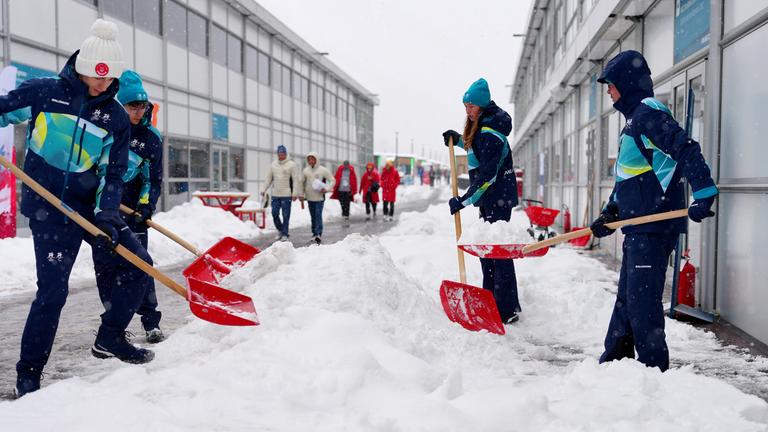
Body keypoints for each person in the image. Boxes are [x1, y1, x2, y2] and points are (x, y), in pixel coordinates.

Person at [2, 19, 155, 398]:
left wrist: (105, 214)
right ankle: (29, 375)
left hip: (90, 208)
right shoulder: (44, 93)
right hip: (49, 209)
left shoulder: (116, 119)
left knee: (139, 267)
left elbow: (113, 174)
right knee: (52, 293)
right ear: (81, 64)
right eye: (96, 75)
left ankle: (110, 336)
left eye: (109, 78)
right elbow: (4, 110)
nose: (102, 84)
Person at [589, 50, 718, 372]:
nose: (608, 90)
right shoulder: (633, 120)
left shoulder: (648, 114)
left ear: (627, 83)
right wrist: (611, 213)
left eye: (611, 83)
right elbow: (629, 177)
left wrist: (704, 192)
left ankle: (652, 371)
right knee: (627, 299)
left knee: (643, 304)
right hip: (637, 225)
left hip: (653, 225)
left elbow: (686, 149)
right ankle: (614, 362)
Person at [442, 78, 520, 324]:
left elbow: (488, 174)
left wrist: (463, 200)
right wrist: (460, 141)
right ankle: (492, 301)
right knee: (488, 251)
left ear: (482, 106)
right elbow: (479, 155)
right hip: (491, 199)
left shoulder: (490, 133)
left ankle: (506, 309)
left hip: (497, 198)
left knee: (497, 252)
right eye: (465, 105)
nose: (468, 110)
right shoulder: (482, 128)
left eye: (472, 106)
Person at [102, 69, 165, 344]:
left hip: (133, 212)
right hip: (104, 208)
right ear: (120, 104)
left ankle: (151, 322)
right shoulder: (107, 127)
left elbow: (152, 178)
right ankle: (115, 325)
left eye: (142, 106)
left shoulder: (150, 137)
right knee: (107, 268)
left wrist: (145, 206)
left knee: (141, 266)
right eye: (132, 106)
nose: (139, 111)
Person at [261, 145, 300, 241]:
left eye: (283, 154)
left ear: (286, 154)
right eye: (279, 154)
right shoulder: (273, 164)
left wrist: (295, 193)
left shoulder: (292, 165)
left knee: (286, 215)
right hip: (276, 194)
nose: (281, 155)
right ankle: (281, 230)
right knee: (274, 213)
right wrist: (263, 189)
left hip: (286, 195)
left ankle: (285, 234)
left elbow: (295, 180)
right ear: (277, 154)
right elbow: (268, 178)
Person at [299, 152, 335, 244]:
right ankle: (314, 233)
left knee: (318, 215)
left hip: (319, 198)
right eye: (309, 159)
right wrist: (301, 194)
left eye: (312, 159)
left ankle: (318, 234)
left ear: (316, 159)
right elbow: (301, 183)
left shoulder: (323, 170)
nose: (310, 161)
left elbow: (332, 180)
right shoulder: (305, 171)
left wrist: (326, 188)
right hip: (309, 198)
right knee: (313, 216)